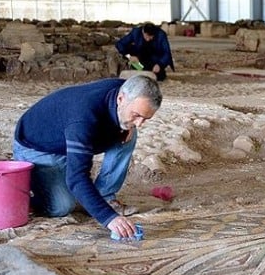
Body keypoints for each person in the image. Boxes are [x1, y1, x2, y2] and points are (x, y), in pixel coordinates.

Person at [13, 75, 163, 238]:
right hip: (38, 147)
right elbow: (77, 178)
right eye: (136, 115)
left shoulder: (126, 89)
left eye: (145, 118)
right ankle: (28, 199)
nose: (140, 123)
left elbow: (126, 115)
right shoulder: (83, 120)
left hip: (69, 136)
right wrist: (109, 218)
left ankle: (104, 195)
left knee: (128, 135)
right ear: (121, 98)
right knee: (62, 206)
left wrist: (128, 125)